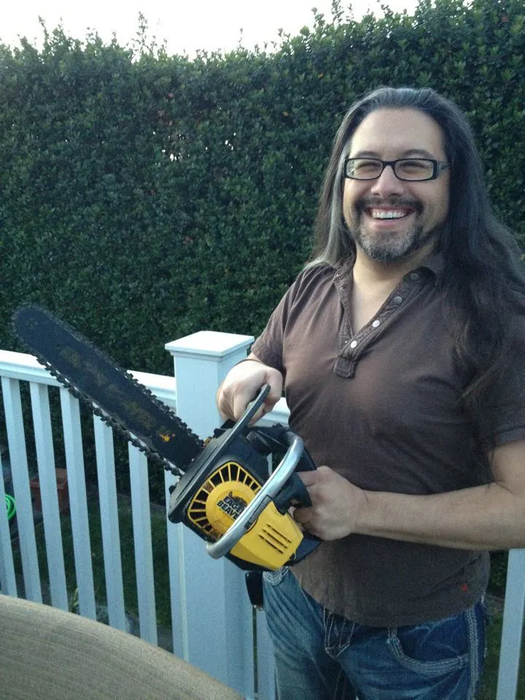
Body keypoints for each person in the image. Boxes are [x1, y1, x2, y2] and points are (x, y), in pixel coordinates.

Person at [216, 86, 525, 700]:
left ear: (454, 182)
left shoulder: (495, 318)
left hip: (418, 634)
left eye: (414, 165)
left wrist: (362, 510)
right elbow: (261, 359)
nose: (385, 185)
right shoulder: (312, 284)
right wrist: (244, 376)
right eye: (365, 165)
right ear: (343, 180)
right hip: (294, 591)